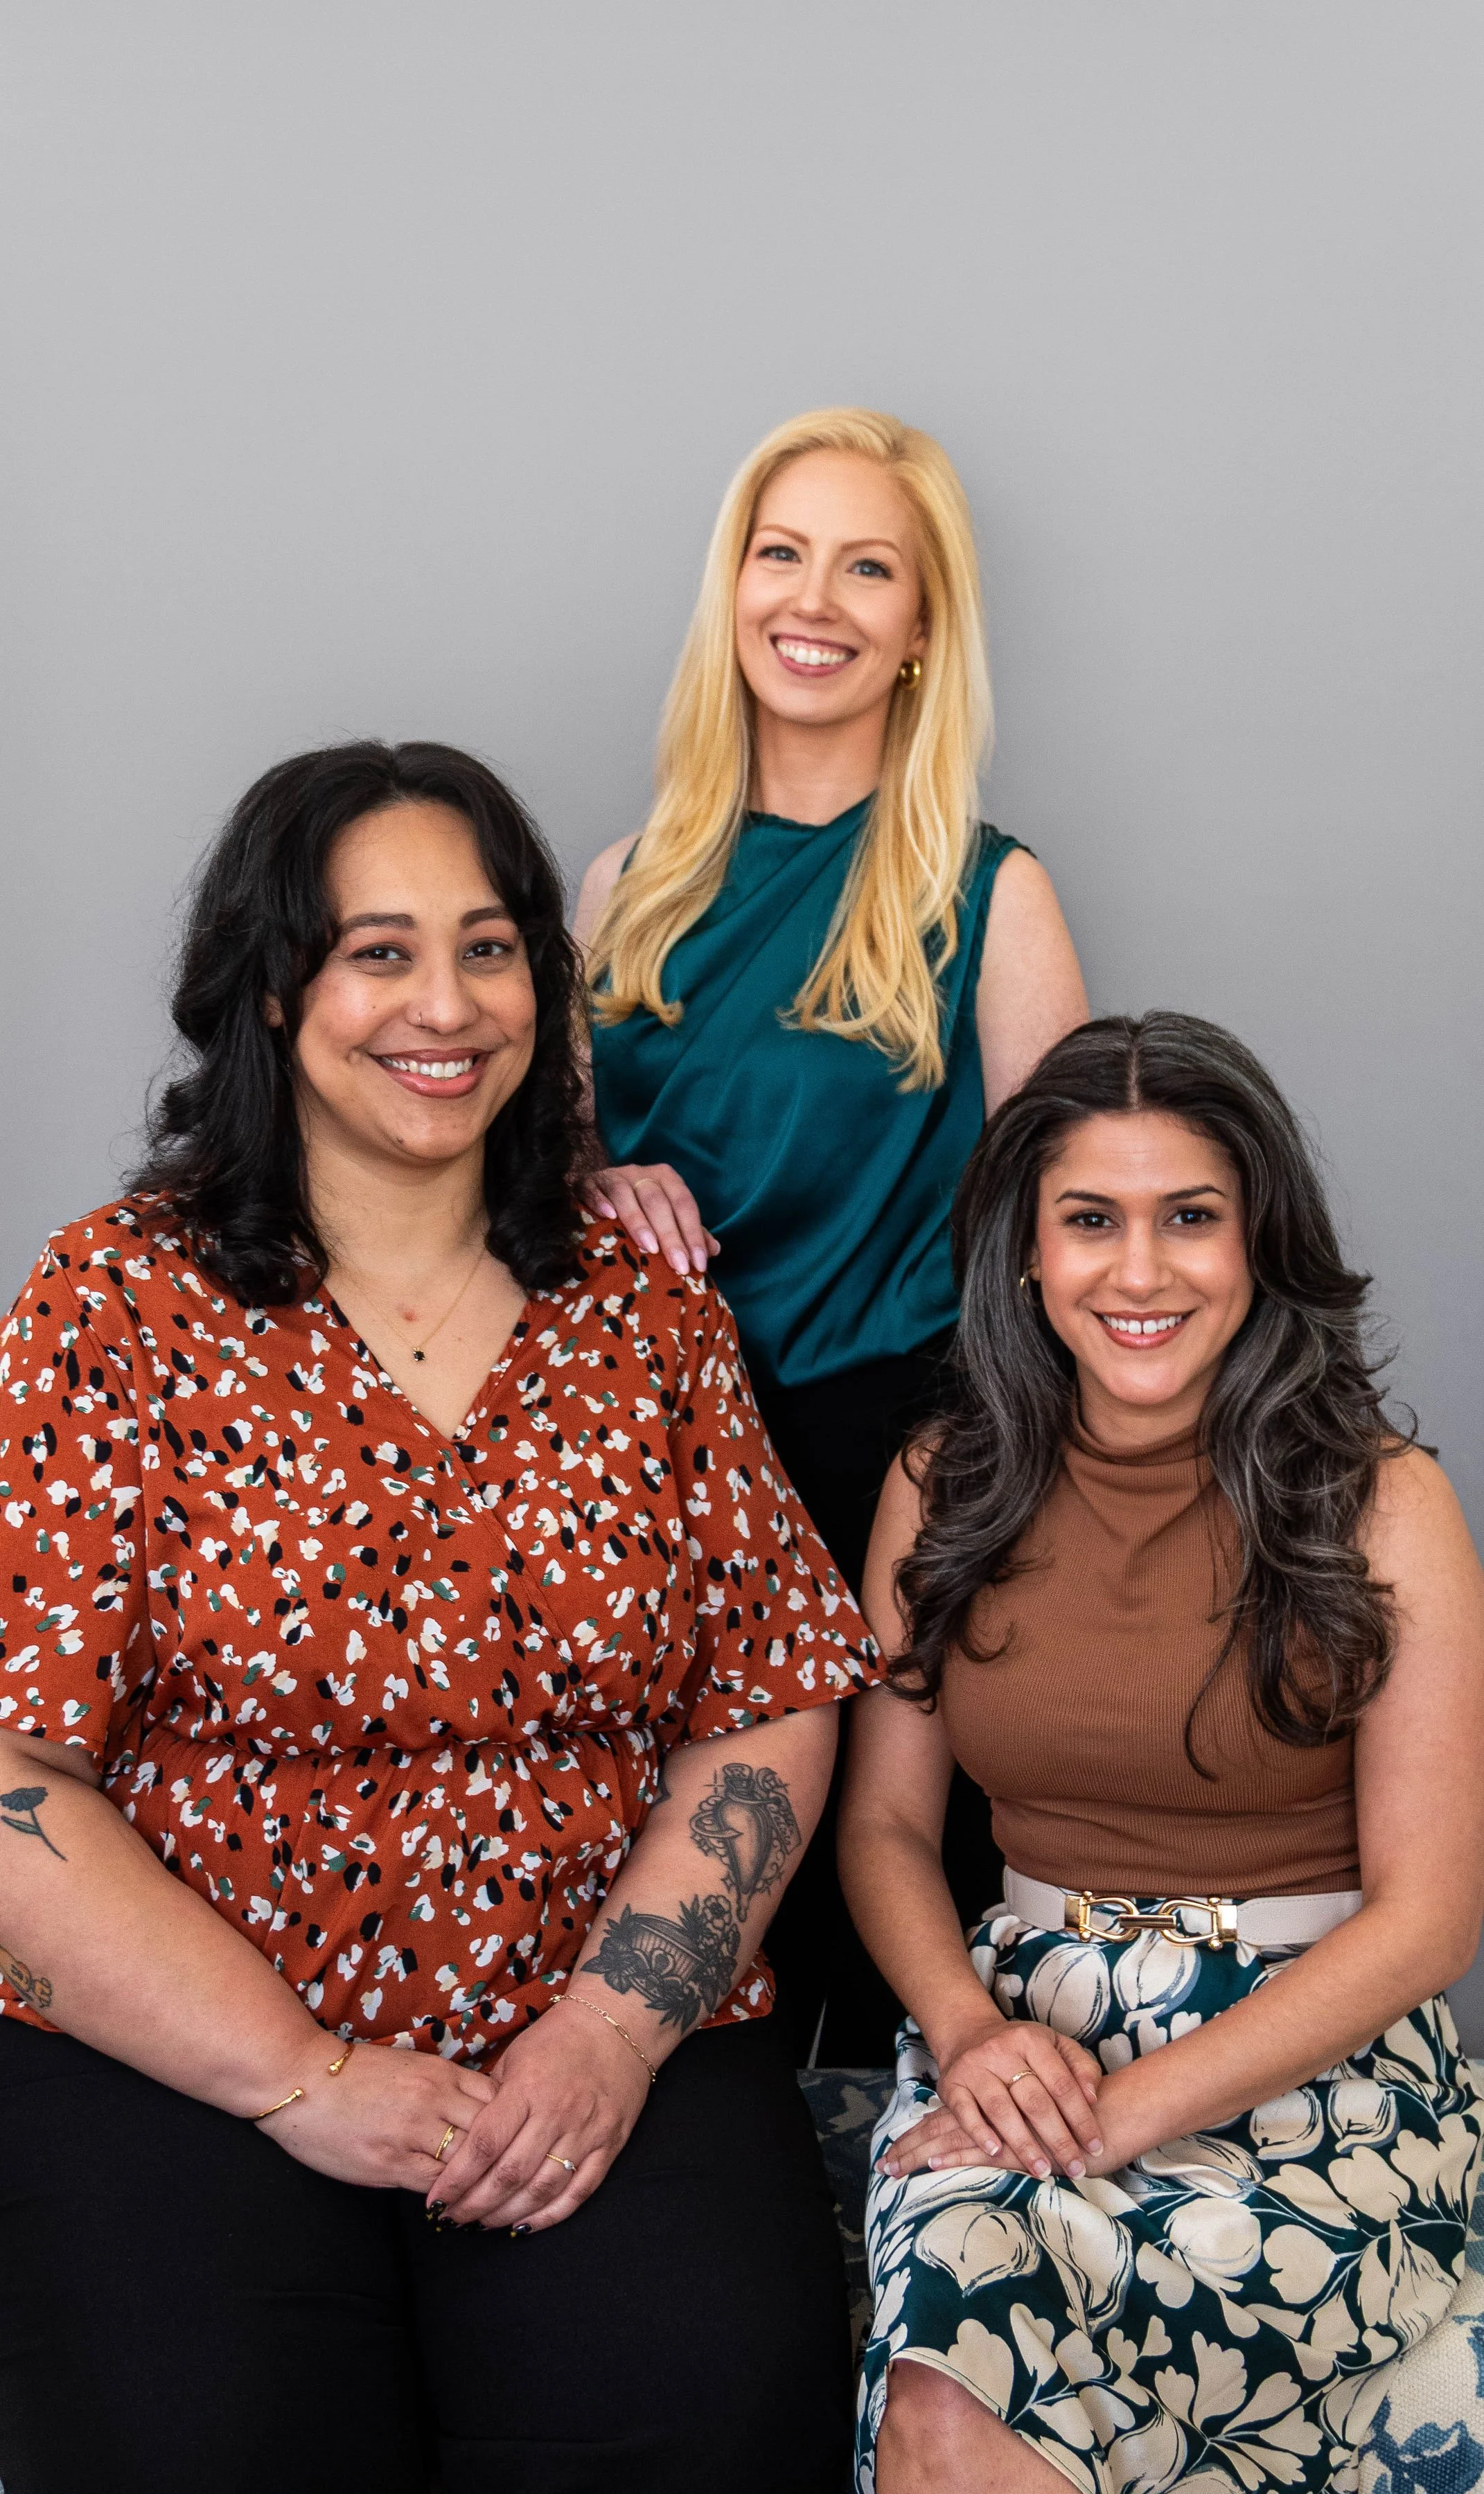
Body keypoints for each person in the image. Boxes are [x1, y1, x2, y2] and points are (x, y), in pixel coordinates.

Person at [0, 740, 885, 2494]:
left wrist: (613, 2032)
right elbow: (16, 1776)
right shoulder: (113, 1302)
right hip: (188, 2051)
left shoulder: (645, 1308)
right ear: (272, 992)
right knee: (208, 2445)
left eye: (491, 948)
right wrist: (297, 2073)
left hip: (601, 2044)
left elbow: (773, 1690)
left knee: (708, 2408)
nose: (448, 1003)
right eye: (378, 950)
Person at [838, 1011, 1484, 2494]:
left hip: (1324, 2071)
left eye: (1190, 1217)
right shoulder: (941, 1486)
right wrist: (968, 2033)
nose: (1141, 1273)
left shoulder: (1385, 1505)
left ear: (1258, 1242)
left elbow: (1431, 1920)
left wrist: (1121, 2120)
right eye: (1090, 1222)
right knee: (945, 2394)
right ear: (1026, 1254)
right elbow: (881, 1827)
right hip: (1024, 2034)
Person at [576, 407, 1088, 2058]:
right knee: (664, 1913)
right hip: (652, 1472)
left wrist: (982, 1497)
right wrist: (584, 1181)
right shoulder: (619, 889)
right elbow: (501, 1203)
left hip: (897, 1465)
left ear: (923, 629)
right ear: (733, 588)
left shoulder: (991, 894)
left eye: (872, 566)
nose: (818, 597)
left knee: (880, 1921)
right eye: (782, 551)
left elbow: (1073, 1242)